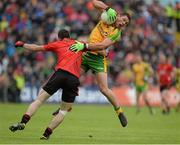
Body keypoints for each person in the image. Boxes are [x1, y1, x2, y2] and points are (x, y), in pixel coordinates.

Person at [53, 0, 130, 127]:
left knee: (104, 89)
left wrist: (85, 45)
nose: (123, 23)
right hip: (86, 54)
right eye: (123, 20)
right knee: (70, 79)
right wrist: (107, 8)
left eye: (125, 23)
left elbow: (102, 46)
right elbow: (94, 3)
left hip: (97, 58)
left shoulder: (116, 33)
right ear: (119, 15)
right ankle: (66, 106)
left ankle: (119, 111)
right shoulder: (109, 16)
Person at [9, 29, 87, 140]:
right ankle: (46, 133)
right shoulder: (79, 44)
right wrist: (104, 53)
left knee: (39, 100)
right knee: (64, 111)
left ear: (59, 37)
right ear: (69, 37)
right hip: (73, 78)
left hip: (60, 74)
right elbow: (95, 48)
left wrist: (22, 44)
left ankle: (23, 122)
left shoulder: (57, 43)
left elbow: (36, 48)